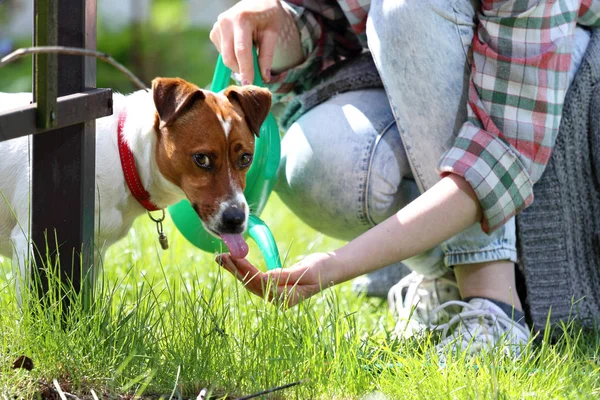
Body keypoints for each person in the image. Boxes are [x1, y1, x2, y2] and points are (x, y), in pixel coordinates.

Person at [210, 0, 600, 357]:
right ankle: (444, 279)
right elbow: (330, 21)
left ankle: (494, 302)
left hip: (553, 71)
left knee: (406, 7)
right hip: (426, 71)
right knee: (317, 162)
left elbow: (500, 159)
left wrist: (332, 266)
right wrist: (278, 23)